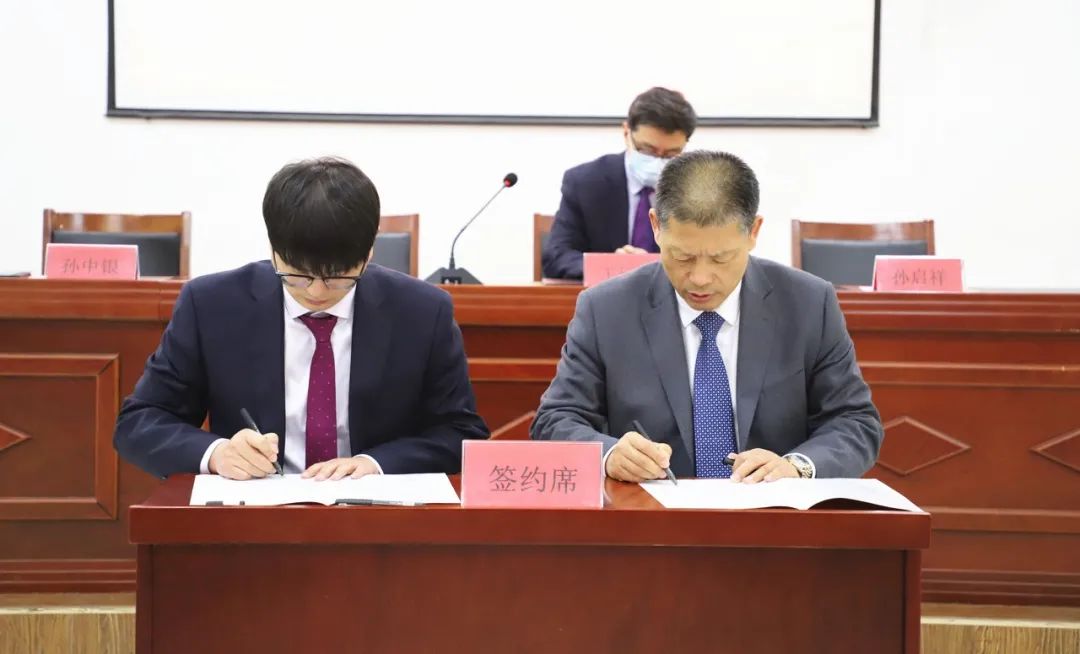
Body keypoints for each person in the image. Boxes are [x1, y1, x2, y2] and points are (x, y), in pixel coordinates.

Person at [114, 157, 489, 480]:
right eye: (297, 275)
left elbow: (461, 432)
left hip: (375, 518)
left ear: (369, 254)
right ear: (274, 250)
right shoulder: (212, 305)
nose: (317, 292)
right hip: (254, 518)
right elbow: (140, 421)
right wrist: (217, 453)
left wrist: (376, 464)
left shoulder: (422, 312)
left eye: (338, 277)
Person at [531, 150, 882, 482]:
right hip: (652, 517)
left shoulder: (808, 303)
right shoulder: (606, 309)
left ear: (753, 232)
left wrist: (796, 467)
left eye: (720, 258)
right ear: (656, 226)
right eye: (682, 257)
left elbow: (854, 421)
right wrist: (609, 455)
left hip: (772, 514)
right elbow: (555, 419)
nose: (699, 278)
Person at [541, 87, 697, 280]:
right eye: (647, 150)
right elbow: (556, 257)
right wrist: (613, 266)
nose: (657, 160)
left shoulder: (698, 191)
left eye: (671, 154)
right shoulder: (586, 183)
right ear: (626, 133)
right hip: (605, 296)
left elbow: (714, 259)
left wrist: (660, 266)